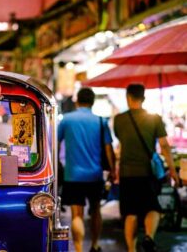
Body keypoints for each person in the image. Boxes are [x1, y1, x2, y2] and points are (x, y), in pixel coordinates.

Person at [114, 84, 179, 252]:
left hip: (127, 173)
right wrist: (172, 170)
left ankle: (131, 249)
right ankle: (149, 236)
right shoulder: (154, 118)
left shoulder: (119, 119)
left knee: (130, 212)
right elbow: (164, 145)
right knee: (153, 208)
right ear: (143, 98)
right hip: (147, 172)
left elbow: (121, 145)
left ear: (128, 97)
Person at [58, 88, 115, 252]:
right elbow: (108, 148)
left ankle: (78, 249)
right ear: (93, 102)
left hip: (73, 174)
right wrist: (112, 170)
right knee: (96, 210)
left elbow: (55, 143)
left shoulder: (67, 120)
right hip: (95, 175)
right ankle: (95, 245)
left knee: (77, 214)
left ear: (77, 101)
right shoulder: (101, 121)